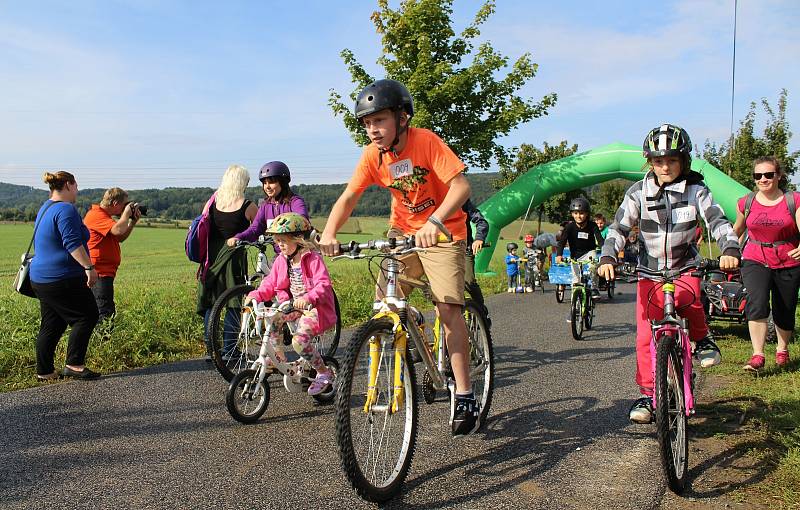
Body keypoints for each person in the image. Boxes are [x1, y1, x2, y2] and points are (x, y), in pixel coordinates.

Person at [319, 79, 479, 437]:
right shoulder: (373, 156)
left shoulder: (426, 141)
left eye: (379, 121)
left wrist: (435, 221)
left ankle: (465, 391)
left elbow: (461, 186)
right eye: (366, 123)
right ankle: (406, 330)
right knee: (384, 303)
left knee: (449, 308)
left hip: (443, 229)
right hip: (402, 233)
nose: (372, 130)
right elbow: (348, 197)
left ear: (402, 117)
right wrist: (329, 234)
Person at [598, 123, 740, 424]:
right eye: (658, 160)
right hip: (649, 271)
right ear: (650, 162)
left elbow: (717, 219)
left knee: (689, 300)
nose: (665, 166)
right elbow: (620, 227)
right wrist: (608, 255)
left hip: (684, 265)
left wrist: (729, 249)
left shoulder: (696, 190)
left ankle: (702, 339)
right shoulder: (638, 192)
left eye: (671, 160)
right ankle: (650, 395)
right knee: (644, 337)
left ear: (683, 161)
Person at [246, 213, 336, 395]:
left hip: (315, 308)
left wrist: (309, 298)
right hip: (293, 306)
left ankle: (323, 373)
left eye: (283, 240)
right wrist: (256, 294)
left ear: (299, 239)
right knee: (274, 320)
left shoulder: (312, 259)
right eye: (277, 240)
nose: (279, 245)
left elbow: (324, 284)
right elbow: (271, 283)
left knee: (300, 341)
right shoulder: (282, 260)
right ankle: (276, 358)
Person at [29, 171, 101, 381]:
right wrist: (89, 267)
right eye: (76, 186)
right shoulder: (66, 209)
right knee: (87, 315)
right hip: (62, 277)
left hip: (41, 278)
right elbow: (72, 243)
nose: (77, 190)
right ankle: (74, 364)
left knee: (53, 323)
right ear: (69, 185)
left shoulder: (45, 207)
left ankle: (45, 371)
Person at [732, 156, 800, 371]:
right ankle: (758, 354)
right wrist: (729, 248)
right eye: (758, 175)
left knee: (785, 308)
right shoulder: (746, 202)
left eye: (769, 175)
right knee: (757, 302)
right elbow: (738, 230)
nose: (763, 179)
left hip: (788, 260)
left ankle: (782, 349)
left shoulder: (794, 200)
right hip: (755, 258)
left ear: (778, 176)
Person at [196, 165, 258, 357]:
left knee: (211, 304)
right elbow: (257, 232)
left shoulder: (212, 203)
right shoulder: (248, 206)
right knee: (233, 301)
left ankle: (211, 349)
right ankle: (230, 350)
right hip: (234, 258)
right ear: (242, 183)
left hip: (211, 259)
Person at [83, 187, 142, 322]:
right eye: (124, 205)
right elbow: (117, 230)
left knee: (104, 310)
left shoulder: (104, 217)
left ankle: (100, 340)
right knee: (105, 312)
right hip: (99, 273)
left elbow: (119, 237)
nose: (124, 208)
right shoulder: (96, 215)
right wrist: (126, 214)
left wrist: (132, 223)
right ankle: (103, 342)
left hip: (104, 273)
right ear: (115, 204)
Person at [228, 161, 308, 248]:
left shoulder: (295, 202)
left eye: (271, 182)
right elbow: (255, 228)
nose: (267, 187)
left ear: (283, 182)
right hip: (280, 255)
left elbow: (302, 220)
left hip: (300, 253)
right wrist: (238, 237)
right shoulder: (266, 206)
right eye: (264, 183)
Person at [556, 197, 604, 302]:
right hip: (575, 255)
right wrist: (559, 255)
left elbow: (600, 241)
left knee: (593, 266)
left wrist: (605, 252)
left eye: (581, 213)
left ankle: (594, 288)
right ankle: (575, 303)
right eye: (576, 213)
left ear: (587, 214)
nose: (579, 216)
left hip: (589, 252)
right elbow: (562, 242)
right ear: (572, 214)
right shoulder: (569, 227)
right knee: (576, 278)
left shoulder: (592, 226)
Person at [462, 199, 489, 316]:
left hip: (464, 248)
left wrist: (479, 239)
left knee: (469, 282)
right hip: (441, 251)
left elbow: (481, 222)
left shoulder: (460, 200)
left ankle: (482, 313)